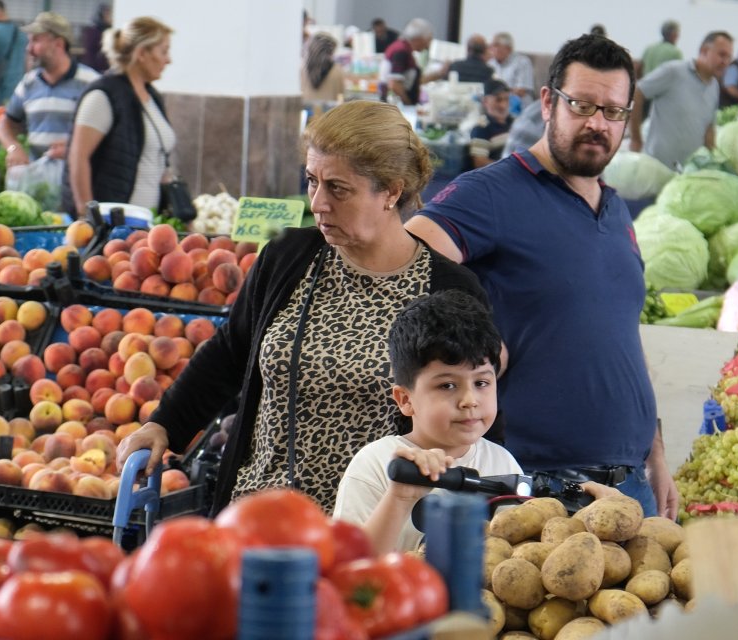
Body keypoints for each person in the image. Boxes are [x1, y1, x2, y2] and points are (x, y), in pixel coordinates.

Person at [115, 100, 493, 514]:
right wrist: (164, 425)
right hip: (257, 515)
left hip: (370, 530)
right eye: (312, 181)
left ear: (391, 190)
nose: (317, 203)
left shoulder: (447, 289)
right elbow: (228, 354)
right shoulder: (287, 258)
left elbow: (473, 412)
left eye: (338, 188)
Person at [407, 34, 677, 519]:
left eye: (612, 112)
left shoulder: (615, 211)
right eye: (582, 105)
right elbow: (405, 260)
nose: (597, 123)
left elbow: (622, 337)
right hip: (535, 487)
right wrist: (477, 340)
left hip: (629, 483)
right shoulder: (492, 193)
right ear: (549, 102)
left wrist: (655, 451)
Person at [334, 290, 521, 553]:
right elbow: (350, 567)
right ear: (405, 400)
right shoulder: (377, 463)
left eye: (481, 383)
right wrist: (399, 499)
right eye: (447, 385)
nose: (469, 400)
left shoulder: (503, 462)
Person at [66, 16, 174, 213]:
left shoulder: (152, 97)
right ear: (142, 53)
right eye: (164, 51)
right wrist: (87, 216)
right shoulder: (104, 95)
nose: (169, 60)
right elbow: (78, 157)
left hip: (145, 224)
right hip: (113, 224)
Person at [0, 12, 97, 168]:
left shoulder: (90, 83)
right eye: (29, 42)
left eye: (35, 41)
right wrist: (13, 148)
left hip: (77, 180)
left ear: (58, 44)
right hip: (39, 180)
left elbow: (107, 133)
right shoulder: (28, 83)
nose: (29, 49)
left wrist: (72, 149)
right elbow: (4, 124)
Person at [630, 30, 733, 169]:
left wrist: (714, 163)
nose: (725, 62)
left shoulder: (714, 86)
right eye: (722, 55)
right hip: (657, 168)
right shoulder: (674, 71)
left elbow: (709, 129)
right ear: (704, 50)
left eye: (729, 58)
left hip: (688, 172)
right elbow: (637, 92)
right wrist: (636, 139)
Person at [466, 79, 513, 169]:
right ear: (485, 101)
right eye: (498, 100)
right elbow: (480, 162)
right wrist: (509, 169)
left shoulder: (515, 122)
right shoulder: (481, 128)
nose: (503, 105)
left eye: (506, 99)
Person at [385, 18, 432, 105]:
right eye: (428, 40)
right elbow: (395, 83)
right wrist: (408, 104)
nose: (428, 45)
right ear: (419, 38)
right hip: (399, 106)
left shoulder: (405, 48)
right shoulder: (401, 51)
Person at [301, 32, 343, 106]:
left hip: (306, 111)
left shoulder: (302, 68)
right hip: (329, 113)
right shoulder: (336, 70)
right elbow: (340, 94)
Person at [488, 32, 533, 102]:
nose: (491, 50)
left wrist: (499, 93)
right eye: (491, 46)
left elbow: (521, 91)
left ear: (508, 49)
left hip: (517, 102)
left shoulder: (522, 62)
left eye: (496, 46)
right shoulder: (491, 63)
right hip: (496, 102)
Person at [79, 3, 108, 73]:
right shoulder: (94, 31)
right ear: (101, 15)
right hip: (94, 69)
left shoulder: (104, 30)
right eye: (107, 14)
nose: (110, 17)